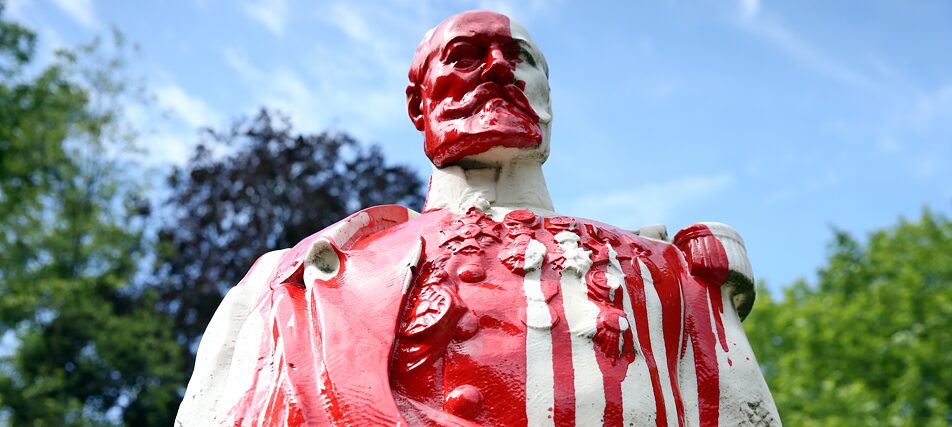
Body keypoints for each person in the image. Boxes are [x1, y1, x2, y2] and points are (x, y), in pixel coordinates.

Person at [176, 10, 780, 427]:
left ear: (547, 95)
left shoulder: (666, 272)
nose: (497, 69)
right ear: (420, 103)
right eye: (465, 56)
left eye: (519, 57)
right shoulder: (296, 282)